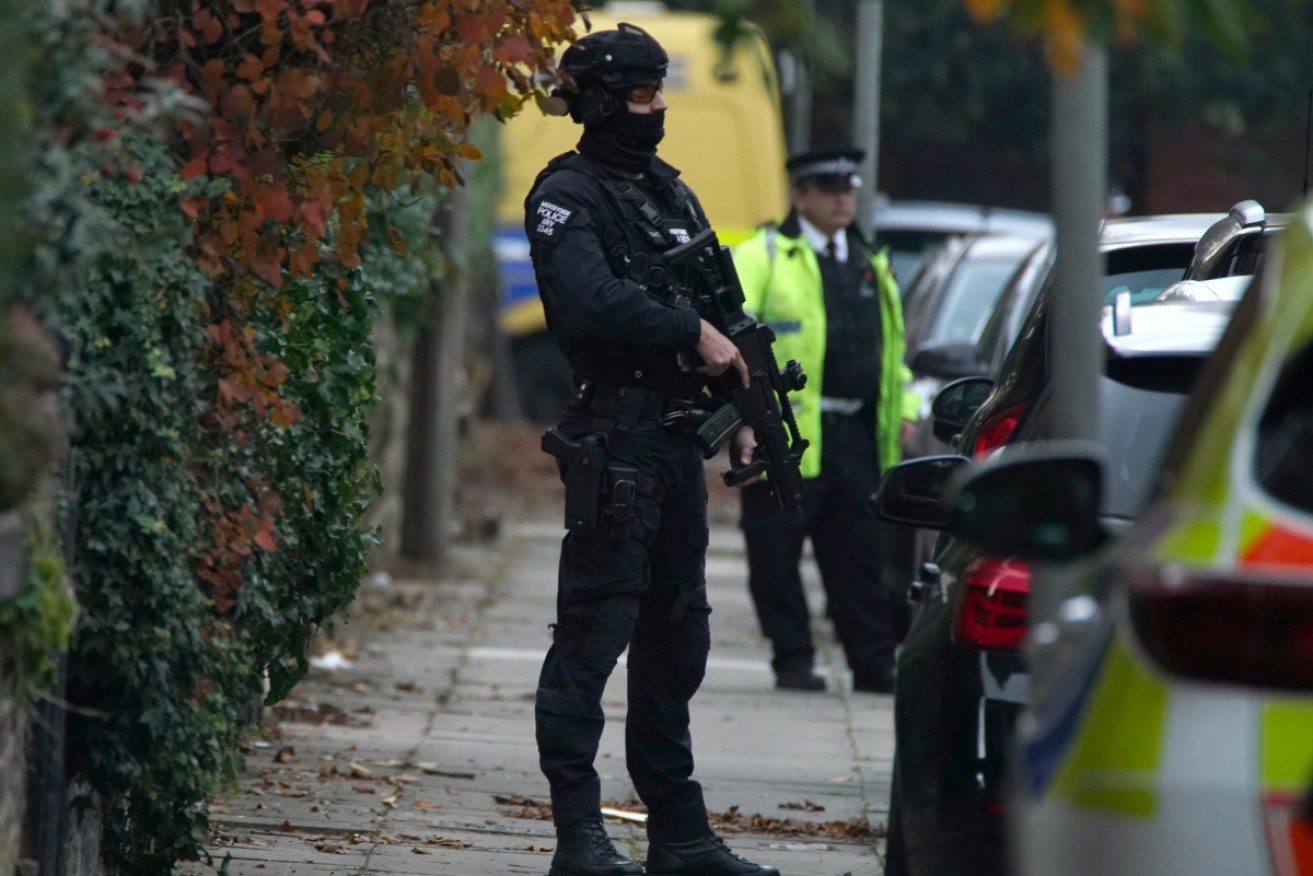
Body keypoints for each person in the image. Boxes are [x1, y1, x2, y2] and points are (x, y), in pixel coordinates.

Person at [525, 23, 781, 876]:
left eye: (659, 92)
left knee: (679, 642)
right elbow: (590, 300)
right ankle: (580, 836)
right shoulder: (567, 194)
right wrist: (691, 332)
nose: (659, 108)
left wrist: (742, 409)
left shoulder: (671, 193)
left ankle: (678, 834)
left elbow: (728, 311)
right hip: (615, 443)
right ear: (599, 103)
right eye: (643, 96)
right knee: (593, 640)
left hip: (675, 449)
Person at [731, 148, 918, 694]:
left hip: (857, 434)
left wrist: (903, 412)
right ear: (800, 196)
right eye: (829, 188)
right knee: (774, 553)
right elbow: (729, 336)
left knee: (861, 556)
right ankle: (792, 658)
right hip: (781, 434)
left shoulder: (869, 260)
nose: (843, 199)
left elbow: (895, 352)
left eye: (849, 188)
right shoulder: (766, 254)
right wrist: (744, 420)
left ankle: (873, 663)